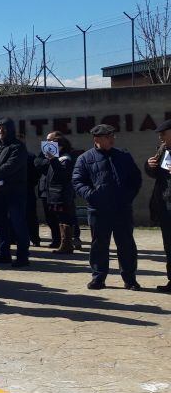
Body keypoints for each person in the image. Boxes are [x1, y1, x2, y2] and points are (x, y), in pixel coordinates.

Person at [72, 124, 142, 290]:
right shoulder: (85, 158)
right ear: (97, 139)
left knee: (126, 244)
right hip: (98, 210)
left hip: (122, 209)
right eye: (108, 136)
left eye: (113, 135)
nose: (112, 139)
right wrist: (92, 195)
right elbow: (77, 181)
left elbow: (136, 178)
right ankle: (98, 278)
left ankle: (130, 279)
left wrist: (127, 197)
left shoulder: (123, 156)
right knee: (99, 245)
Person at [0, 118, 29, 267]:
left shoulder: (18, 147)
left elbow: (10, 167)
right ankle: (3, 254)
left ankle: (23, 256)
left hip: (14, 193)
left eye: (4, 129)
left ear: (10, 130)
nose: (0, 131)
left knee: (18, 224)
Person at [34, 132, 78, 255]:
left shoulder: (65, 158)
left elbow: (62, 175)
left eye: (53, 145)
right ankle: (64, 244)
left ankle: (66, 245)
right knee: (60, 219)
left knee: (65, 218)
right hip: (54, 194)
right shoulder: (55, 158)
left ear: (61, 147)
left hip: (61, 194)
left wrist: (53, 159)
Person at [145, 119, 171, 292]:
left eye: (163, 133)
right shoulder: (163, 150)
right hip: (165, 205)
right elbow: (156, 175)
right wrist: (149, 166)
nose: (160, 137)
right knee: (169, 245)